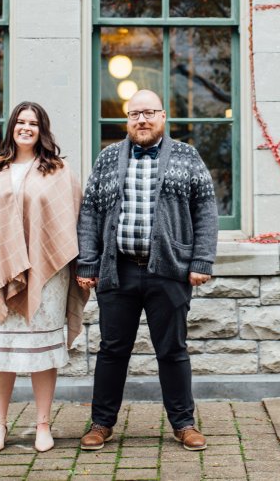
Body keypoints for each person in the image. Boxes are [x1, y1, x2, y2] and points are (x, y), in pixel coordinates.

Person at [76, 89, 218, 452]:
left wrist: (202, 261)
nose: (142, 120)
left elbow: (206, 211)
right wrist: (88, 263)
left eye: (149, 113)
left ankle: (184, 424)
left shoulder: (187, 157)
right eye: (135, 114)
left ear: (163, 117)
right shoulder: (108, 158)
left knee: (172, 350)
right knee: (112, 350)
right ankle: (101, 424)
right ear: (127, 120)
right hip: (117, 271)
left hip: (168, 271)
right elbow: (89, 213)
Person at [0, 101, 88, 454]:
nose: (26, 128)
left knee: (42, 353)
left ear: (42, 130)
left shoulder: (59, 171)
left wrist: (85, 268)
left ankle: (43, 424)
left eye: (33, 123)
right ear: (12, 127)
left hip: (48, 277)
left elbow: (74, 223)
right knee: (2, 353)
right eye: (20, 122)